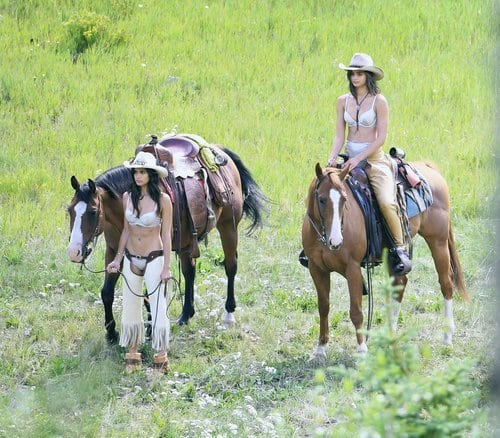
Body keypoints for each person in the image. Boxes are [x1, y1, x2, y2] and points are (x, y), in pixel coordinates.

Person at [326, 53, 411, 274]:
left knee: (385, 201)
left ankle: (399, 248)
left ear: (368, 76)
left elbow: (380, 137)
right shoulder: (342, 101)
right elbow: (339, 136)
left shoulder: (379, 101)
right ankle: (314, 247)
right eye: (352, 74)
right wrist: (332, 158)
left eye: (360, 74)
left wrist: (358, 158)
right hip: (349, 160)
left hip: (373, 160)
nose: (355, 78)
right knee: (324, 192)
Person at [107, 151, 173, 373]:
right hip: (130, 257)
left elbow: (166, 235)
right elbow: (126, 230)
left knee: (158, 304)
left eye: (142, 172)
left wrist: (167, 267)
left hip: (154, 255)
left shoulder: (163, 200)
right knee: (130, 304)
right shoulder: (127, 197)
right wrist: (117, 259)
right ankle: (133, 351)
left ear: (151, 174)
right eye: (136, 171)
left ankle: (161, 354)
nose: (138, 176)